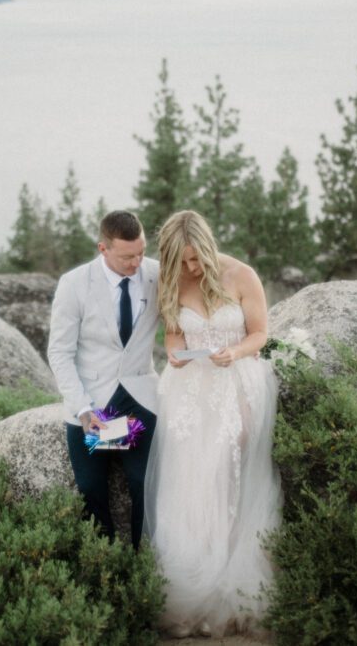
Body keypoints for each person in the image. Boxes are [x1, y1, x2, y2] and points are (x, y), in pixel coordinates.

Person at [144, 209, 282, 638]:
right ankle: (189, 591)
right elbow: (172, 335)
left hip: (235, 382)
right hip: (188, 392)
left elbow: (260, 333)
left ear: (207, 245)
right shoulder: (171, 280)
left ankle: (228, 592)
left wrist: (235, 352)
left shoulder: (242, 276)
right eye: (181, 261)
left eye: (194, 258)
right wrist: (175, 352)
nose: (190, 268)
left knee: (229, 474)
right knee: (188, 483)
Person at [47, 210, 161, 547]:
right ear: (103, 249)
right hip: (95, 406)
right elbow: (60, 353)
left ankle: (146, 568)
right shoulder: (74, 284)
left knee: (146, 484)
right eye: (127, 256)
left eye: (141, 252)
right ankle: (106, 567)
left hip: (140, 400)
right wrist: (82, 408)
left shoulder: (157, 273)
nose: (137, 262)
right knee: (92, 492)